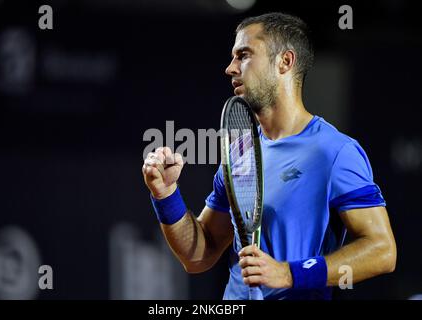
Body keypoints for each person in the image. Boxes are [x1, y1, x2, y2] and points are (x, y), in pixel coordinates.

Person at [142, 12, 396, 300]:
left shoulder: (335, 152)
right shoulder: (239, 152)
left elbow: (382, 250)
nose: (230, 68)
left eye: (244, 55)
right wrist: (166, 195)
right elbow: (198, 255)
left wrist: (289, 273)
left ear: (285, 61)